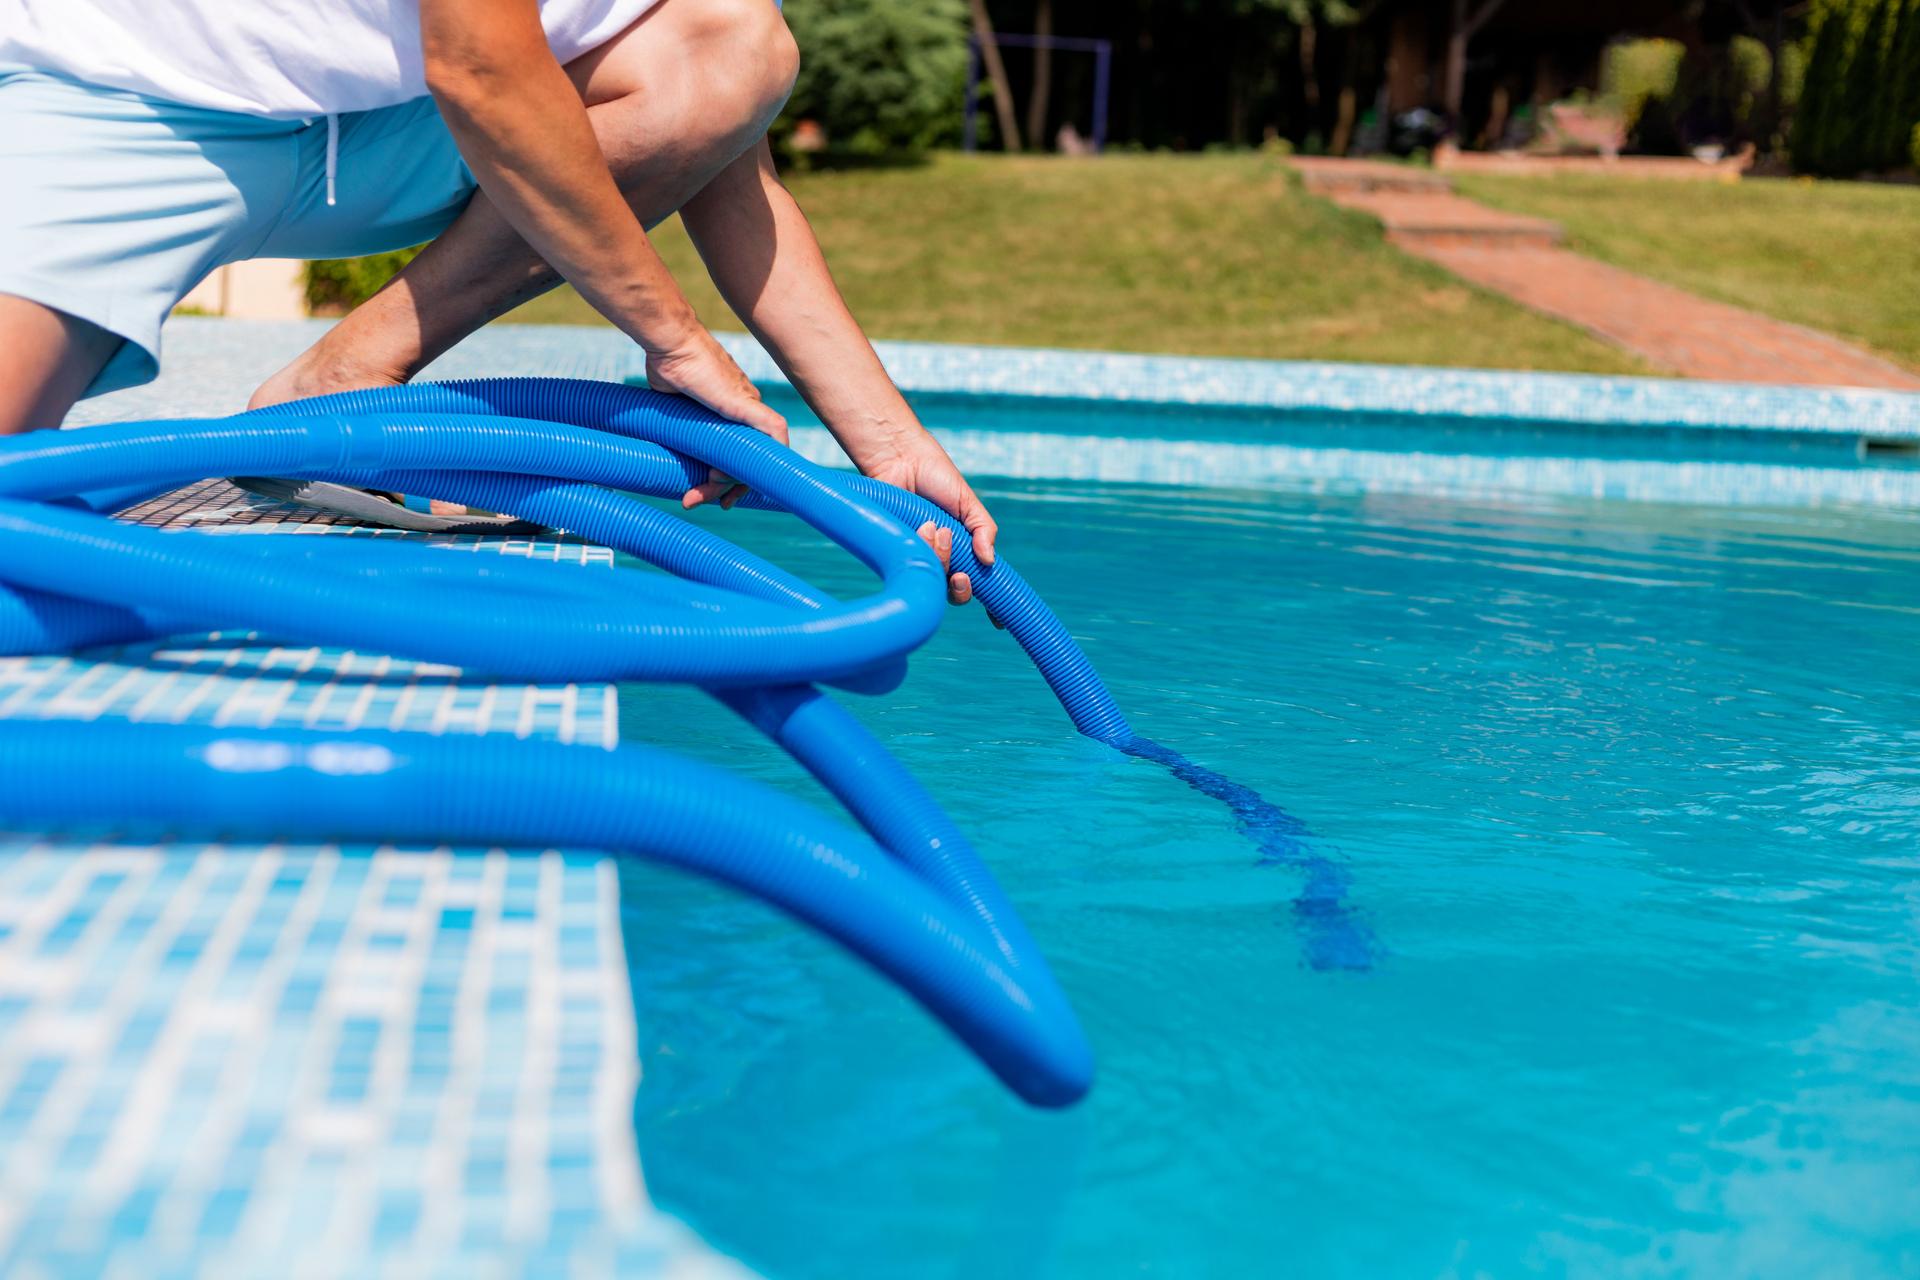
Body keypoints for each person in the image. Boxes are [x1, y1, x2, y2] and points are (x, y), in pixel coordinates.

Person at [0, 0, 996, 605]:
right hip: (118, 111)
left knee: (732, 44)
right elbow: (479, 64)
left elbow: (728, 157)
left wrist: (892, 449)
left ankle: (346, 368)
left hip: (400, 134)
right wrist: (675, 338)